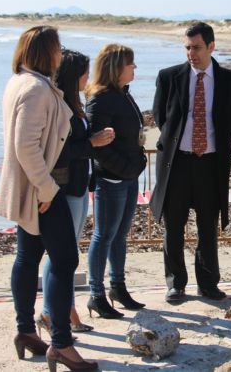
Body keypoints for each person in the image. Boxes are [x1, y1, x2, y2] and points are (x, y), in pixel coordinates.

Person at [0, 26, 97, 371]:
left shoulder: (19, 81)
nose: (60, 53)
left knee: (27, 258)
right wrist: (46, 189)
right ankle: (62, 345)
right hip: (43, 191)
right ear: (45, 52)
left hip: (30, 190)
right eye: (57, 47)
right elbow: (27, 146)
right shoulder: (37, 89)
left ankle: (26, 331)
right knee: (65, 261)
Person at [150, 22, 231, 303]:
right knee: (174, 226)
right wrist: (183, 140)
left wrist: (211, 142)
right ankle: (176, 284)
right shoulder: (169, 77)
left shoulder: (230, 80)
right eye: (187, 47)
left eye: (197, 47)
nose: (191, 53)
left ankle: (208, 283)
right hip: (177, 164)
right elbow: (161, 116)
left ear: (211, 47)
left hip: (210, 164)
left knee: (207, 226)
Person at [36, 49, 115, 336]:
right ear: (74, 75)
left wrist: (95, 140)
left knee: (66, 254)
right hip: (67, 188)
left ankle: (57, 311)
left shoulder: (75, 103)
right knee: (62, 256)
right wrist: (92, 143)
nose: (89, 77)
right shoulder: (60, 107)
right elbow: (59, 152)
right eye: (85, 71)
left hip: (79, 187)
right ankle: (57, 312)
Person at [85, 44, 147, 318]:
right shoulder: (100, 98)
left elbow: (129, 137)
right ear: (116, 67)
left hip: (128, 176)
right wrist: (124, 168)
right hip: (111, 179)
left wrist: (139, 162)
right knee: (103, 236)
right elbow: (98, 145)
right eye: (131, 64)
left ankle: (117, 287)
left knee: (120, 236)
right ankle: (96, 294)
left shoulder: (123, 94)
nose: (134, 68)